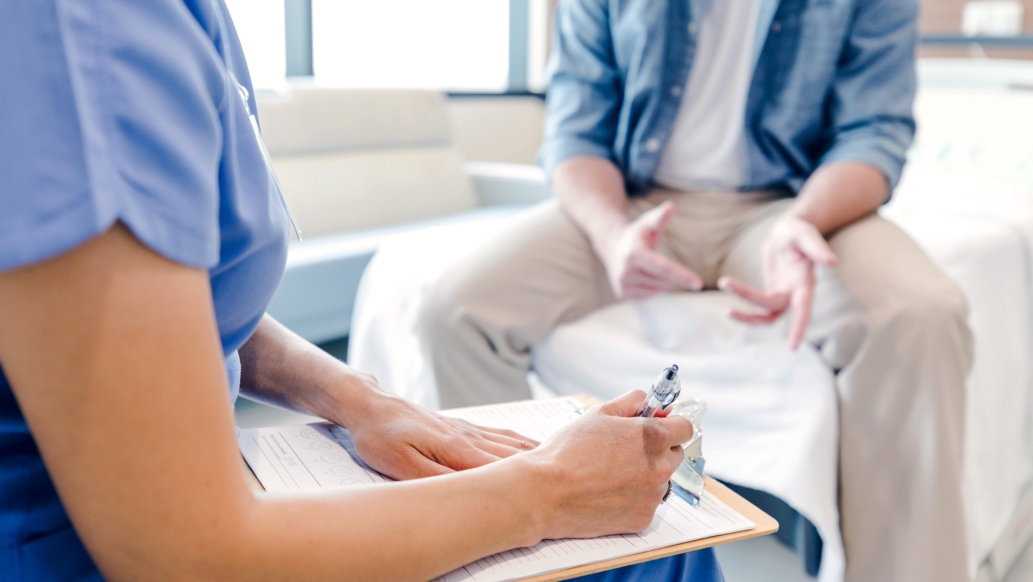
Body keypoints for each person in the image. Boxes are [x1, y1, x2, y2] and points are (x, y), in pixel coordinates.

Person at [0, 1, 725, 581]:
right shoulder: (80, 34)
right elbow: (184, 556)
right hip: (80, 550)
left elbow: (174, 298)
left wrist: (356, 399)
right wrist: (548, 490)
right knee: (661, 554)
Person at [417, 0, 974, 580]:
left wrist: (803, 221)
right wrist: (613, 239)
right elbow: (575, 133)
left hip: (786, 205)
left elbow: (873, 132)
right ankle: (512, 549)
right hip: (634, 203)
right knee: (455, 310)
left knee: (922, 315)